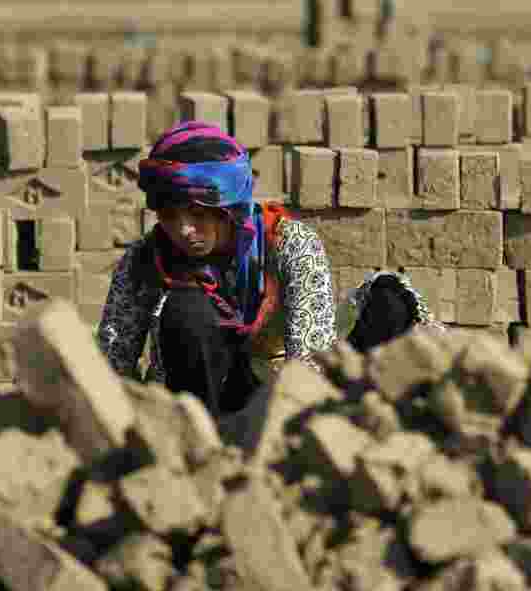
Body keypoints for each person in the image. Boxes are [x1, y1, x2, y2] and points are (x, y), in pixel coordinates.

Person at [96, 120, 445, 419]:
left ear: (229, 208)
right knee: (186, 311)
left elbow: (309, 359)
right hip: (200, 402)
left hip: (285, 392)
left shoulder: (289, 244)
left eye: (198, 215)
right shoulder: (145, 260)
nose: (184, 230)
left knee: (390, 302)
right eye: (171, 216)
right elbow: (112, 363)